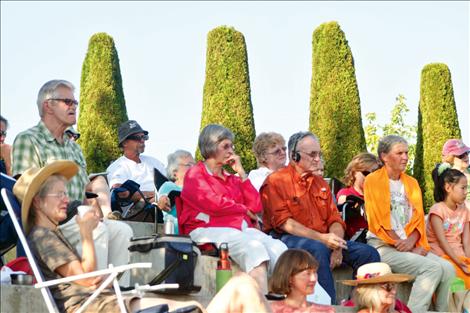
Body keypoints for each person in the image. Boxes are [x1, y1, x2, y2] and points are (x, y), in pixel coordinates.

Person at [13, 160, 272, 313]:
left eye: (65, 193)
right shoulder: (42, 236)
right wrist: (86, 233)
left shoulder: (51, 234)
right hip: (97, 307)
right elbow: (89, 280)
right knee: (240, 287)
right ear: (37, 202)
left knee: (239, 287)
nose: (66, 200)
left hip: (112, 301)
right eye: (58, 194)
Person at [11, 79, 133, 284]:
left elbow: (85, 190)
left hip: (76, 214)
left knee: (123, 231)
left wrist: (92, 210)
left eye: (75, 102)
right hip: (49, 223)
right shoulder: (28, 139)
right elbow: (24, 191)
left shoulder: (74, 148)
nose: (74, 106)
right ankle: (94, 297)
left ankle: (120, 296)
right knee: (98, 231)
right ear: (47, 106)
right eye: (67, 102)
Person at [261, 131, 380, 303]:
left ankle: (355, 304)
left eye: (319, 154)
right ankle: (327, 307)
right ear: (294, 156)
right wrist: (323, 239)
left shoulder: (320, 183)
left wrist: (337, 246)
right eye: (312, 154)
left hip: (324, 240)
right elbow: (285, 223)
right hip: (287, 238)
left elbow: (335, 219)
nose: (317, 159)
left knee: (369, 254)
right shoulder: (275, 182)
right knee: (318, 248)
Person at [180, 124, 288, 294]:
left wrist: (242, 173)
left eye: (232, 146)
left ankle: (286, 305)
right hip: (205, 229)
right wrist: (244, 210)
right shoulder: (195, 174)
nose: (231, 151)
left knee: (280, 249)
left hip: (238, 229)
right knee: (254, 249)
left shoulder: (232, 178)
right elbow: (213, 203)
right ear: (211, 147)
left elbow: (256, 206)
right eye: (226, 146)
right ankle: (259, 305)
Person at [364, 135, 455, 312]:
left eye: (406, 152)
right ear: (384, 156)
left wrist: (412, 242)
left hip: (409, 244)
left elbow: (418, 219)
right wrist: (407, 246)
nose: (405, 157)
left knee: (448, 270)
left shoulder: (412, 183)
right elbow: (379, 222)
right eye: (399, 153)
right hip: (383, 245)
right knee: (432, 268)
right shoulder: (373, 180)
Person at [106, 120, 169, 212]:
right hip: (138, 211)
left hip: (164, 202)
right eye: (137, 138)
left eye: (144, 137)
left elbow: (168, 184)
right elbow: (121, 194)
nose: (142, 140)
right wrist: (156, 196)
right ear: (124, 143)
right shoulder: (117, 167)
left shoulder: (155, 162)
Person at [426, 163, 470, 288]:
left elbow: (466, 241)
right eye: (463, 188)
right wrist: (459, 263)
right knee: (461, 281)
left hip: (460, 256)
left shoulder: (465, 210)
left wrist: (467, 260)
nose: (466, 192)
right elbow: (442, 241)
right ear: (448, 187)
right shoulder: (437, 210)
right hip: (442, 255)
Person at [269, 249, 335, 313]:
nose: (314, 279)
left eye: (315, 272)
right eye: (307, 273)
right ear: (289, 277)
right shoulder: (270, 310)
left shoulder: (326, 311)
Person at [337, 153, 381, 239]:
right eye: (366, 173)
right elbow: (342, 204)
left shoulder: (379, 195)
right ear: (354, 173)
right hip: (360, 241)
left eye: (375, 174)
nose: (370, 178)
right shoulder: (346, 193)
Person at [341, 262, 413, 313]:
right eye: (388, 286)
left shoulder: (401, 307)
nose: (394, 291)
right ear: (369, 290)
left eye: (394, 285)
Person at [158, 149, 196, 234]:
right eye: (189, 165)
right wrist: (163, 200)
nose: (193, 168)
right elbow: (164, 199)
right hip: (178, 236)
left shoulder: (199, 188)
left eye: (194, 165)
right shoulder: (169, 186)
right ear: (175, 171)